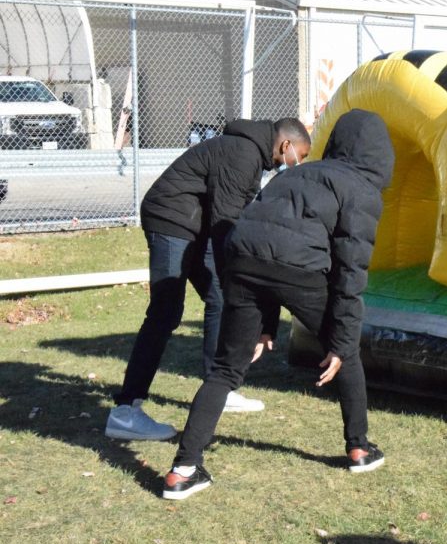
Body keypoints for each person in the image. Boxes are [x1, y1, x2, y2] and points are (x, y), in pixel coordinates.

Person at [161, 109, 394, 500]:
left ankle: (182, 471)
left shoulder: (297, 173)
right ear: (380, 154)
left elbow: (261, 236)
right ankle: (359, 447)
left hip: (240, 258)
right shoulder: (362, 189)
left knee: (224, 370)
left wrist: (264, 324)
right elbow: (350, 272)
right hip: (298, 267)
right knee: (347, 351)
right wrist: (339, 341)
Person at [105, 117, 311, 441]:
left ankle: (219, 388)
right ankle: (126, 411)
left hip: (192, 224)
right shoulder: (243, 153)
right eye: (299, 156)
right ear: (286, 146)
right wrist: (239, 271)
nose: (296, 164)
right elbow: (224, 224)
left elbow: (238, 217)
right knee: (165, 312)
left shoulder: (251, 155)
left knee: (219, 297)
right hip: (171, 219)